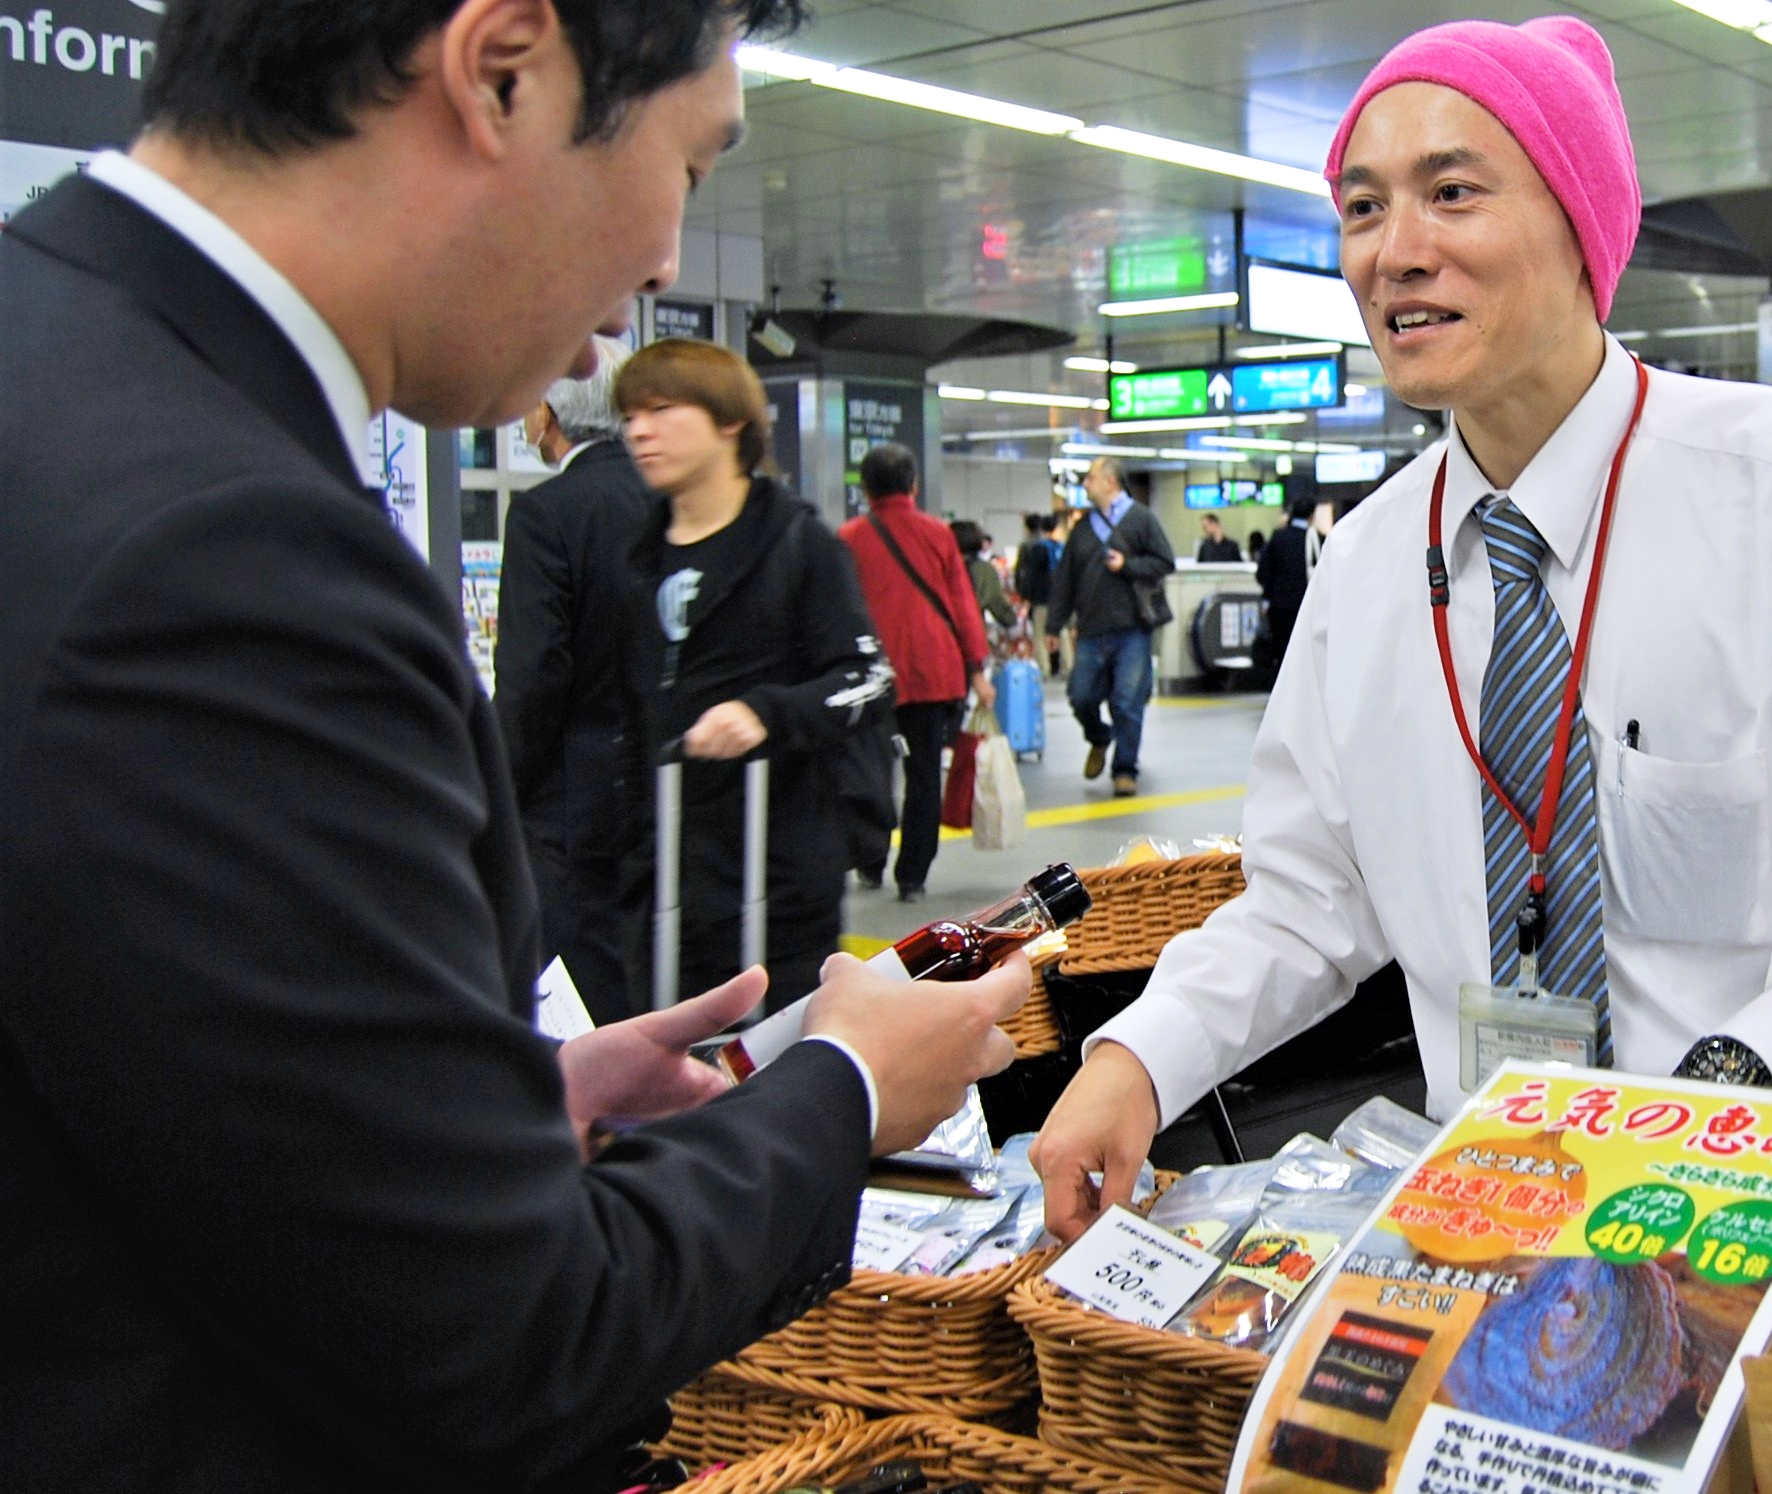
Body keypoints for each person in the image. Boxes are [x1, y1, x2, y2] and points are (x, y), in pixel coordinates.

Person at [0, 4, 1030, 1490]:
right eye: (687, 160)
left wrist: (461, 1108)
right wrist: (847, 1088)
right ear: (503, 71)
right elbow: (495, 1342)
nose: (667, 263)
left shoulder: (62, 371)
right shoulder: (229, 559)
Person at [1032, 15, 1772, 1243]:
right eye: (1360, 209)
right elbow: (1307, 898)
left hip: (1759, 1194)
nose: (1395, 253)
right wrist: (1140, 1060)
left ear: (1579, 223)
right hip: (1475, 1221)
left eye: (1451, 193)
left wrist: (1740, 1079)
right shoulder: (1367, 568)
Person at [618, 338, 891, 1010]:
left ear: (729, 421)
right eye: (629, 416)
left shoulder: (798, 546)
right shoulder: (637, 556)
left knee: (767, 1065)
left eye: (661, 410)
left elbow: (870, 677)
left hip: (775, 871)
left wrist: (765, 713)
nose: (639, 431)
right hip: (657, 867)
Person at [494, 335, 645, 1026]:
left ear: (549, 414)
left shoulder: (547, 515)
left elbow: (533, 680)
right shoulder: (677, 502)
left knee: (582, 998)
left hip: (574, 807)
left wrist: (496, 788)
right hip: (667, 795)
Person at [839, 443, 995, 901]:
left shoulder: (848, 538)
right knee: (924, 772)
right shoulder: (937, 533)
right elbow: (963, 606)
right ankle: (913, 877)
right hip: (932, 669)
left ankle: (870, 862)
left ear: (865, 489)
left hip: (872, 675)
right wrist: (979, 669)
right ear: (913, 485)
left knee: (871, 767)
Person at [1046, 456, 1176, 798]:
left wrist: (1128, 565)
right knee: (1080, 695)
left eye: (1090, 478)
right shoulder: (1083, 528)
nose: (1085, 484)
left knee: (1127, 701)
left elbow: (1165, 561)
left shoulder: (1141, 520)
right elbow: (1065, 579)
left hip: (1132, 627)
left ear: (1110, 482)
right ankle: (1099, 737)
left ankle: (1125, 768)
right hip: (1090, 628)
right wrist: (1053, 625)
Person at [1254, 493, 1317, 682]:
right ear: (1311, 515)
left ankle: (1280, 693)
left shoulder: (1278, 537)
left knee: (1282, 651)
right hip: (1305, 605)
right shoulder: (1315, 538)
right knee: (1306, 652)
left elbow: (1263, 571)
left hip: (1279, 606)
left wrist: (1269, 595)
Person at [1013, 511, 1063, 674]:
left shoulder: (1034, 547)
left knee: (1040, 634)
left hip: (1041, 597)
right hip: (1059, 598)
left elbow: (1029, 575)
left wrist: (1026, 597)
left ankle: (1044, 668)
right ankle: (1066, 666)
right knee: (1060, 632)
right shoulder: (1060, 547)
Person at [954, 517, 1017, 634]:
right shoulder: (984, 570)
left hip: (940, 633)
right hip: (972, 629)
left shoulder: (936, 567)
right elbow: (996, 602)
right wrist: (1011, 621)